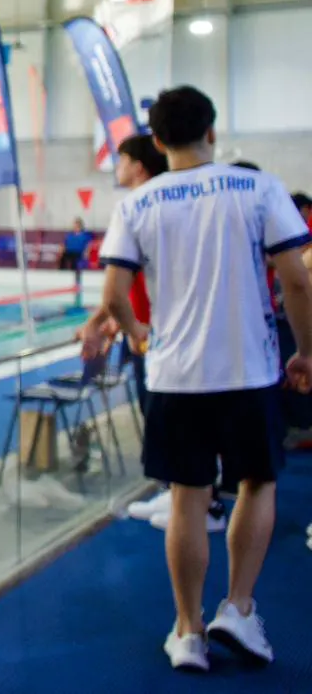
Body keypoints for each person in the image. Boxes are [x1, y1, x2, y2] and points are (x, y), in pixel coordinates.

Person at [98, 86, 312, 673]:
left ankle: (188, 629)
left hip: (175, 377)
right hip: (250, 371)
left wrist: (141, 336)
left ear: (159, 141)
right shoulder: (259, 188)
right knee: (256, 483)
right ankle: (238, 607)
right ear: (211, 132)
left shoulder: (138, 203)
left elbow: (113, 296)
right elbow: (297, 279)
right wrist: (308, 353)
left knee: (188, 500)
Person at [83, 136, 227, 533]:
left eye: (122, 160)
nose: (117, 166)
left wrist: (123, 325)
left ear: (139, 166)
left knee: (180, 419)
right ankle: (180, 493)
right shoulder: (154, 206)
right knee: (166, 419)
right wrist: (114, 321)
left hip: (157, 335)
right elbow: (130, 286)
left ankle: (205, 505)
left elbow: (121, 286)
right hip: (151, 330)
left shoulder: (145, 208)